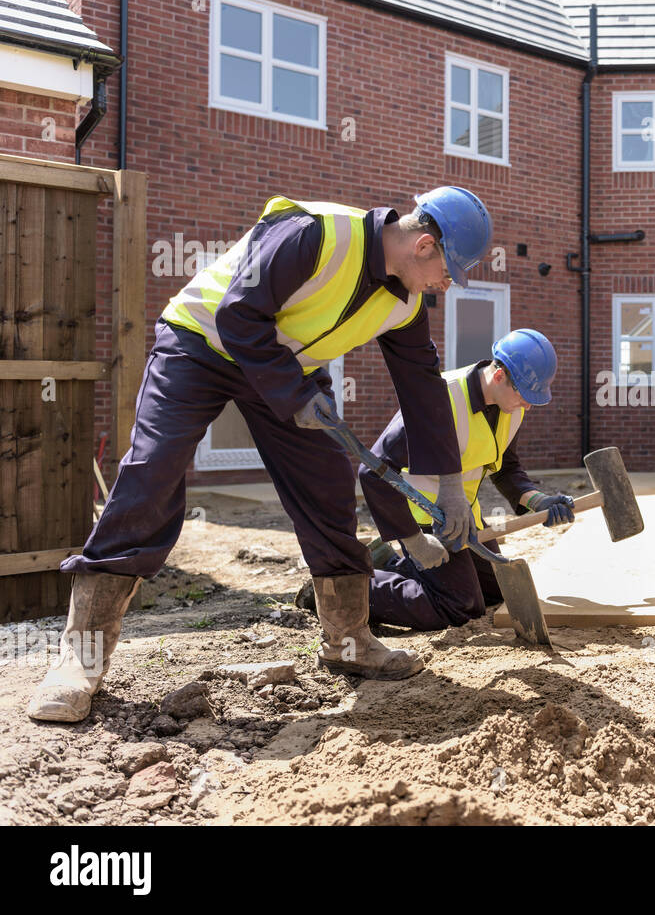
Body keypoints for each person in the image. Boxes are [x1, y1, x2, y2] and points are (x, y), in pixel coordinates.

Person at [28, 186, 493, 724]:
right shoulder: (313, 232)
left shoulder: (405, 302)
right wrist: (295, 399)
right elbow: (238, 315)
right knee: (151, 474)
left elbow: (423, 388)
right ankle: (79, 662)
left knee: (329, 491)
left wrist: (452, 484)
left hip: (287, 368)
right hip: (201, 344)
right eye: (448, 273)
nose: (445, 287)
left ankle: (348, 642)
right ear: (424, 246)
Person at [299, 329, 574, 630]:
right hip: (422, 518)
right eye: (524, 394)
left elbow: (507, 470)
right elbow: (373, 472)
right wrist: (414, 542)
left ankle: (394, 565)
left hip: (464, 518)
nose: (529, 405)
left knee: (497, 591)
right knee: (459, 605)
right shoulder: (440, 398)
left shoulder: (511, 407)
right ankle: (336, 589)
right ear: (498, 377)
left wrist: (539, 501)